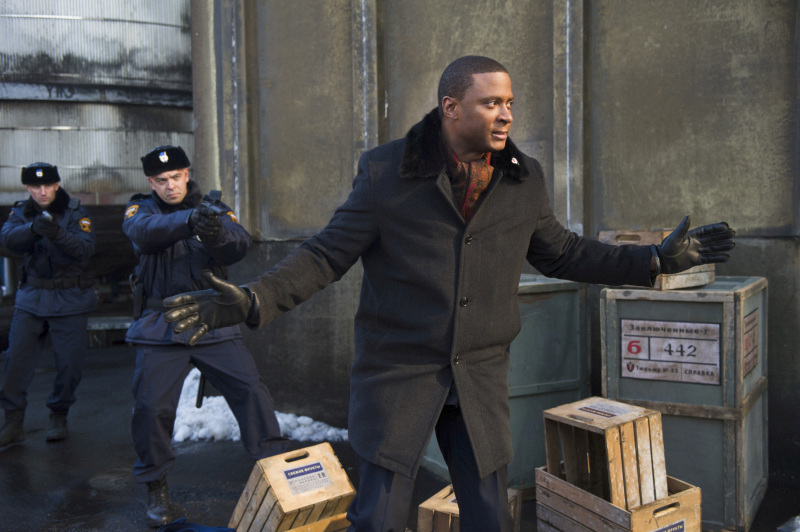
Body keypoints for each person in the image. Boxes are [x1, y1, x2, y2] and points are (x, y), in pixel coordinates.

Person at [163, 57, 736, 531]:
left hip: (479, 374)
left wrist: (653, 260)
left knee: (490, 516)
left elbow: (562, 252)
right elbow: (326, 253)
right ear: (451, 107)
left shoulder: (523, 177)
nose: (506, 114)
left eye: (509, 102)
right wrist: (254, 299)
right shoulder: (386, 173)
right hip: (398, 372)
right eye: (491, 102)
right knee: (379, 518)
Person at [122, 145, 288, 528]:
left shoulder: (213, 208)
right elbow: (142, 234)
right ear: (150, 182)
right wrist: (189, 221)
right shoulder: (140, 209)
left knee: (251, 393)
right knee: (151, 409)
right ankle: (155, 485)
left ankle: (277, 473)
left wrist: (214, 233)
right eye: (161, 180)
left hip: (213, 319)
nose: (169, 185)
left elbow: (239, 245)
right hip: (160, 323)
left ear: (186, 174)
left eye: (175, 177)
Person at [0, 162, 96, 447]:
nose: (42, 191)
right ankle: (13, 421)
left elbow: (84, 249)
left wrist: (56, 233)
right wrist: (32, 229)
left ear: (56, 185)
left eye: (47, 185)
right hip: (32, 297)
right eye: (35, 186)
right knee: (15, 361)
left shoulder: (75, 211)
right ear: (27, 188)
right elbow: (7, 238)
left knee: (69, 365)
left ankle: (59, 414)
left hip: (70, 298)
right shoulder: (22, 211)